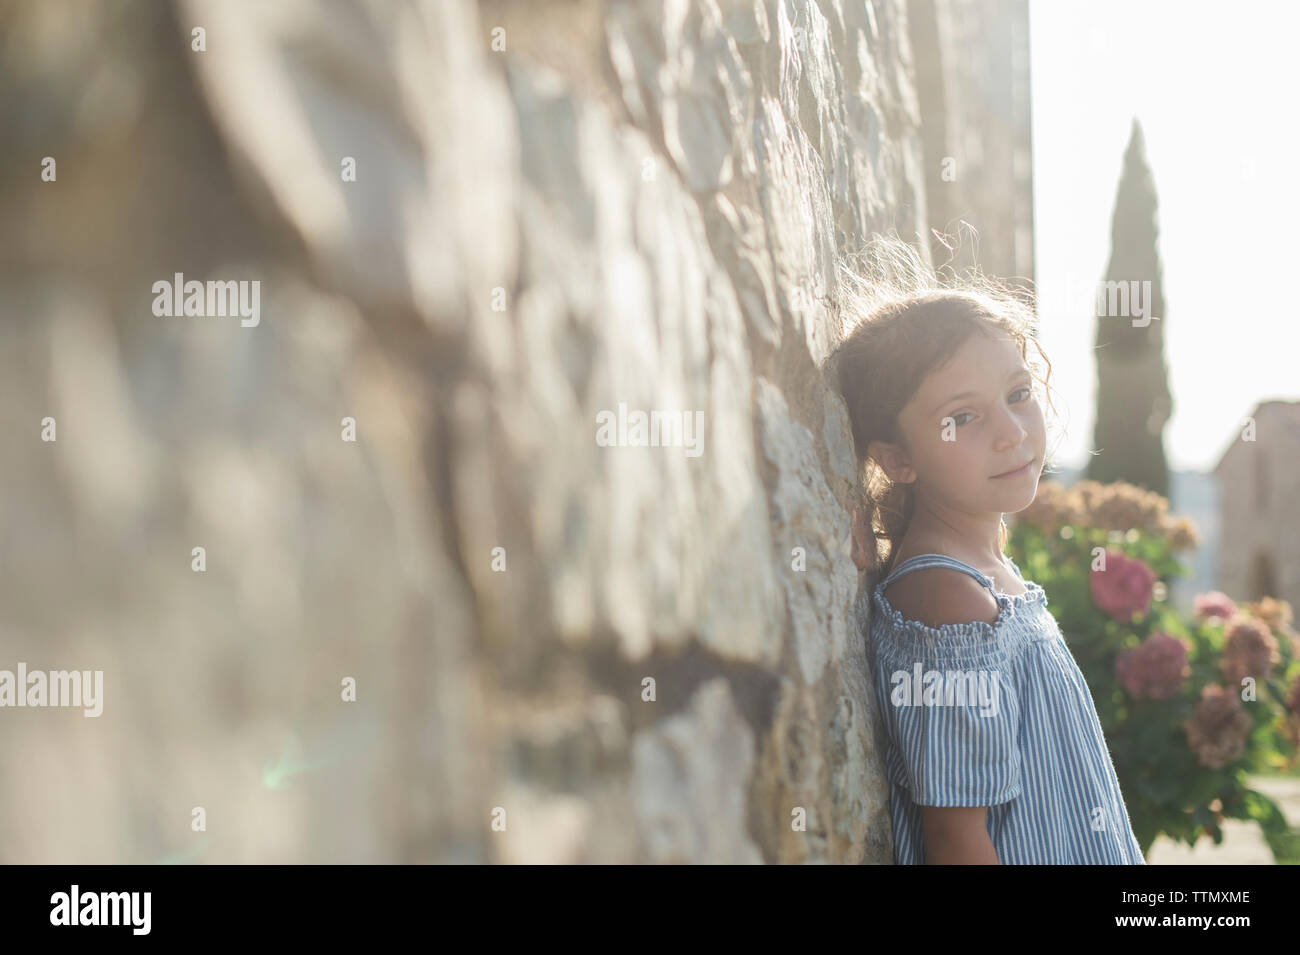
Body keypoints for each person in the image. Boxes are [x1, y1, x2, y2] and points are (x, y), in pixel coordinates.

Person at [830, 235, 1146, 864]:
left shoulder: (990, 576)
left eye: (1017, 394)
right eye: (964, 418)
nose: (1011, 432)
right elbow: (956, 840)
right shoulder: (946, 603)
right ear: (897, 459)